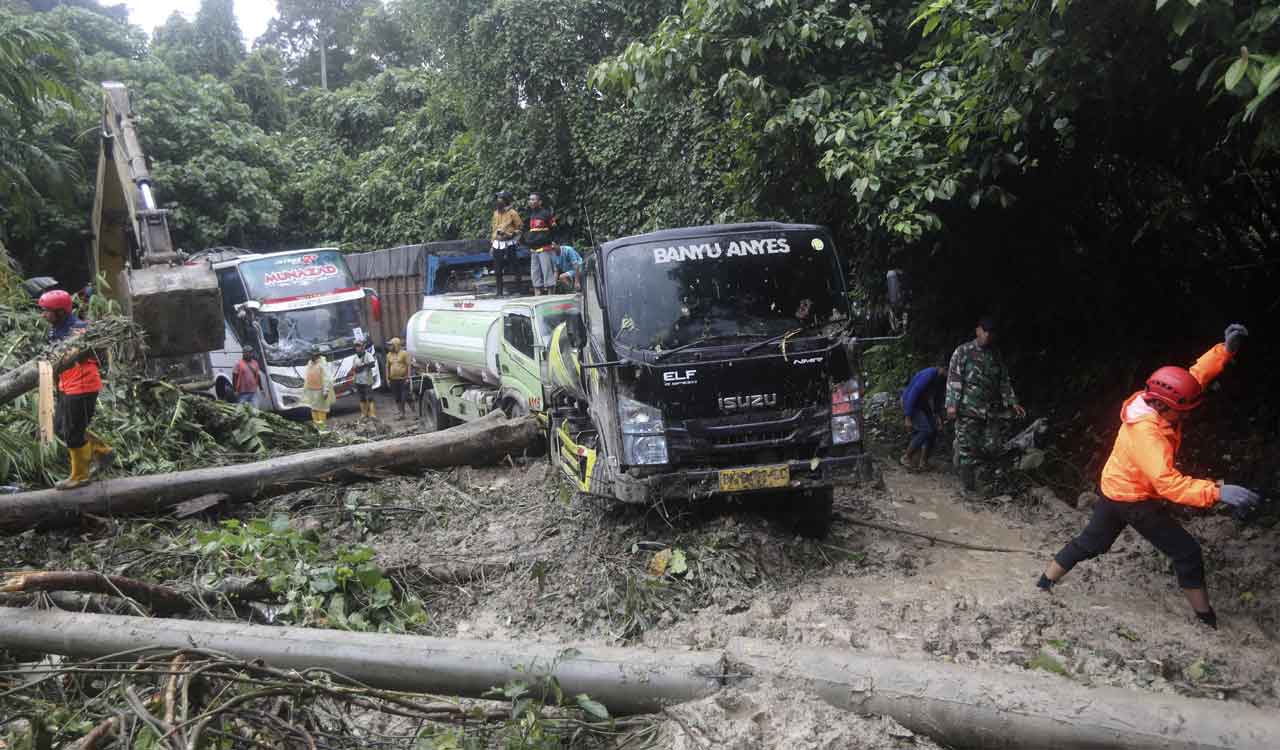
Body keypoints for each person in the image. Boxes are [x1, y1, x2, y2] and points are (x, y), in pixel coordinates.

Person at [1037, 325, 1257, 630]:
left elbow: (1194, 378)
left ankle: (1042, 585)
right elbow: (1168, 482)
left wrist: (1224, 351)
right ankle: (1208, 622)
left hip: (1114, 487)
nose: (1187, 416)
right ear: (1166, 407)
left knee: (1092, 542)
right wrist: (1217, 492)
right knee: (1187, 552)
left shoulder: (1154, 399)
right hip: (1134, 499)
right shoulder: (1147, 434)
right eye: (1184, 412)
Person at [40, 289, 114, 489]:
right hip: (66, 385)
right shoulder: (55, 328)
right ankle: (102, 451)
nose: (43, 315)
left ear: (61, 313)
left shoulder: (79, 331)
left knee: (73, 434)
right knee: (62, 428)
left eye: (47, 311)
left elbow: (97, 353)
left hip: (82, 386)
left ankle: (79, 476)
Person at [945, 315, 1026, 491]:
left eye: (991, 333)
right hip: (967, 409)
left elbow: (1003, 379)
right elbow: (954, 378)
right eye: (985, 332)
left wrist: (1012, 402)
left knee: (990, 446)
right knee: (968, 448)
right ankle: (968, 488)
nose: (988, 336)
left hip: (990, 411)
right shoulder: (963, 351)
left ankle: (981, 479)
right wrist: (952, 404)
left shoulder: (995, 355)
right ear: (978, 331)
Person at [901, 366, 946, 471]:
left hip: (922, 404)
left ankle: (923, 461)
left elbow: (937, 399)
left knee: (934, 430)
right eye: (946, 372)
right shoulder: (929, 374)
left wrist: (938, 416)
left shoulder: (942, 380)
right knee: (925, 430)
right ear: (942, 369)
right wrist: (908, 416)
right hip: (910, 402)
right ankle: (906, 457)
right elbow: (913, 392)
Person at [523, 192, 558, 295]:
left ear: (540, 202)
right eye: (530, 199)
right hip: (533, 249)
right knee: (535, 272)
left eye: (534, 199)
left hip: (545, 248)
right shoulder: (531, 215)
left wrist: (553, 242)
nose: (531, 201)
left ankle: (550, 293)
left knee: (547, 270)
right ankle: (537, 293)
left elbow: (554, 229)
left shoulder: (546, 213)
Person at [490, 191, 522, 297]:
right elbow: (494, 229)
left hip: (509, 242)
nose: (498, 200)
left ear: (506, 201)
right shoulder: (495, 213)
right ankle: (499, 293)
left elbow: (520, 228)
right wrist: (492, 243)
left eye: (501, 198)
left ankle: (518, 290)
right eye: (498, 198)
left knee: (515, 266)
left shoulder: (512, 213)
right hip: (497, 243)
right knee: (497, 269)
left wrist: (511, 235)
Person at [302, 346, 334, 428]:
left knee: (321, 409)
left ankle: (322, 427)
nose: (311, 356)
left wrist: (325, 390)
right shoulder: (310, 363)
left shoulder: (322, 363)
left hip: (320, 390)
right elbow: (307, 375)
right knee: (313, 408)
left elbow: (327, 378)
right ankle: (317, 426)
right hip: (311, 390)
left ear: (317, 355)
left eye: (313, 355)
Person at [386, 337, 412, 419]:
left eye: (391, 345)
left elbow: (408, 365)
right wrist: (387, 378)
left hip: (403, 379)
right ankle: (401, 412)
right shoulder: (389, 355)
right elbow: (387, 367)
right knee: (397, 397)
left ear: (396, 345)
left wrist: (408, 377)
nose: (389, 347)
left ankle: (404, 410)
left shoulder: (404, 353)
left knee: (403, 396)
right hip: (393, 379)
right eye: (389, 345)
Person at [352, 339, 377, 419]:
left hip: (367, 380)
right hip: (358, 380)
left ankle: (372, 413)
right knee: (361, 398)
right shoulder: (355, 357)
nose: (357, 348)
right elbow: (354, 368)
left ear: (363, 347)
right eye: (356, 346)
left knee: (370, 397)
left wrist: (363, 366)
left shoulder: (368, 355)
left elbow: (372, 364)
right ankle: (364, 414)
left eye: (359, 346)